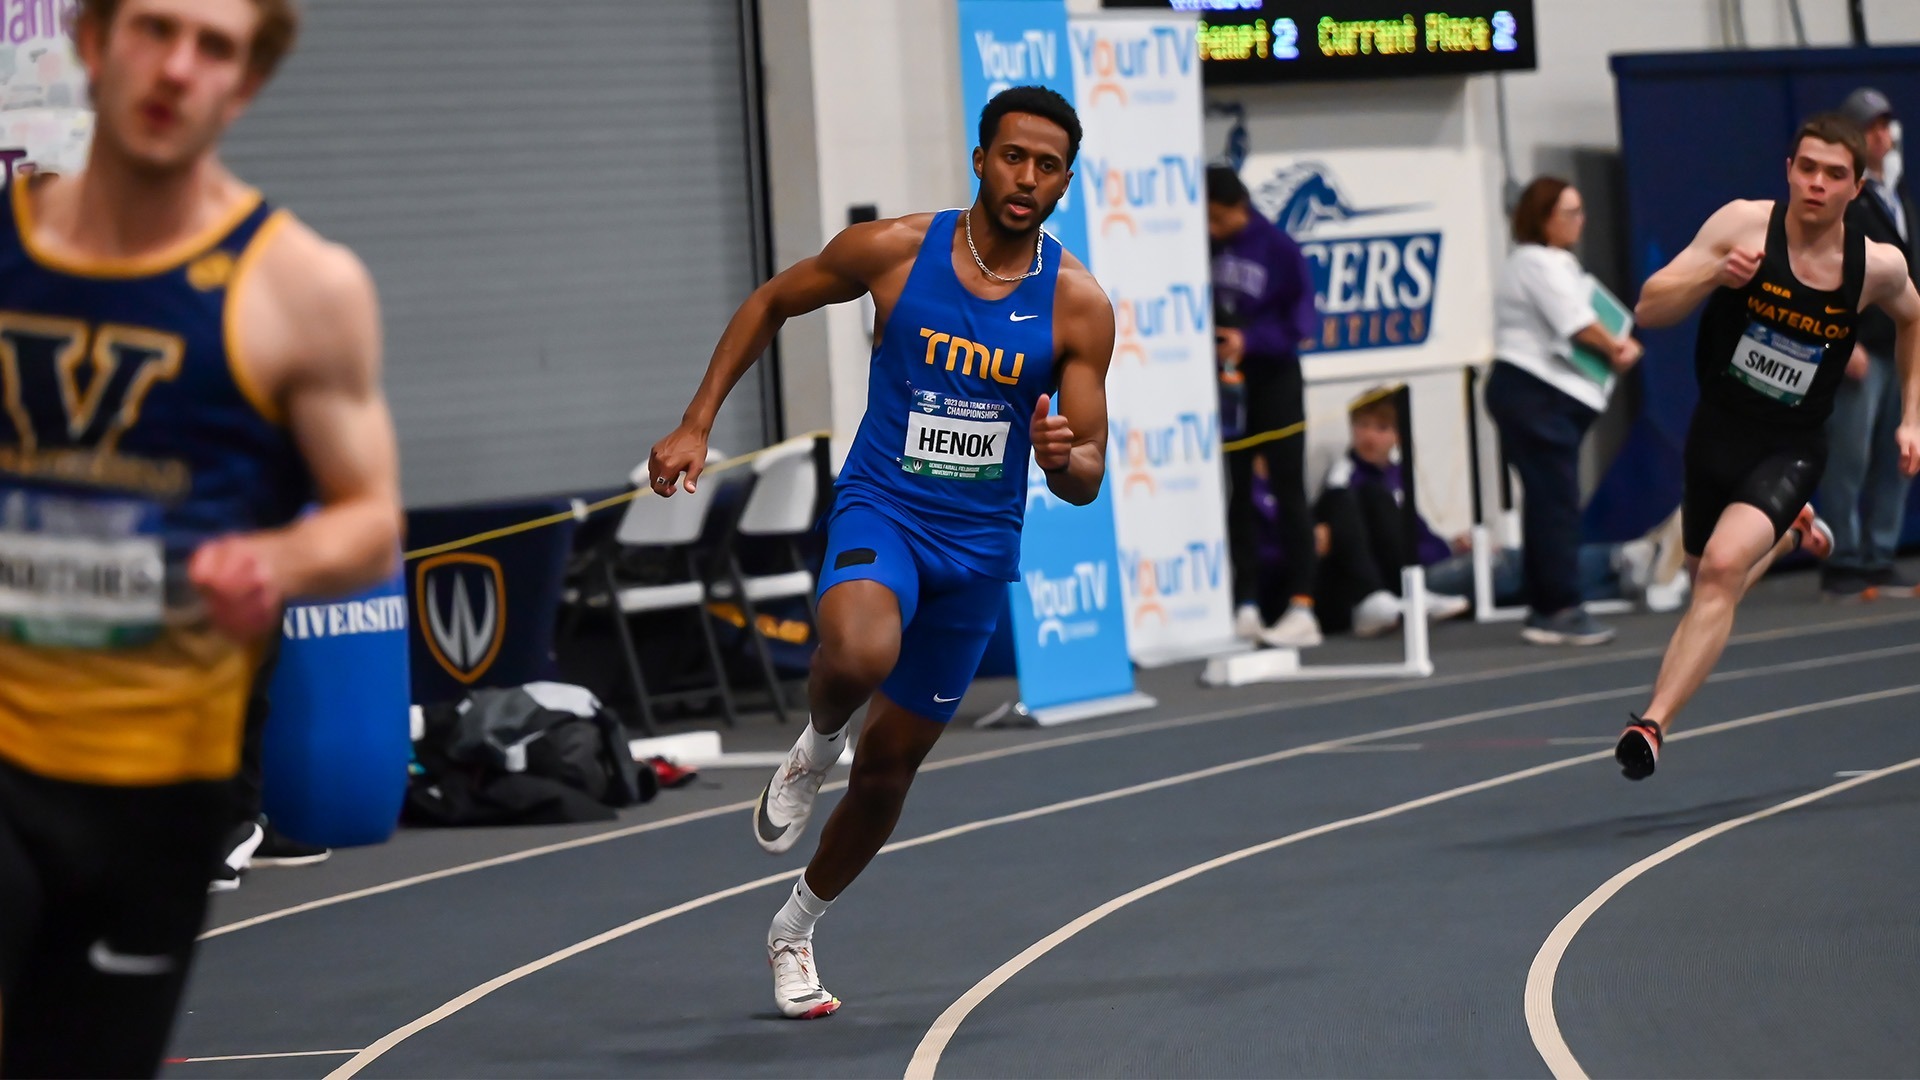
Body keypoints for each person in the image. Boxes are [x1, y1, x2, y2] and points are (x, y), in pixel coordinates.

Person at [647, 86, 1114, 1019]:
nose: (1028, 178)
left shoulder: (1078, 306)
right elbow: (774, 301)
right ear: (981, 158)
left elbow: (1086, 472)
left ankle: (794, 928)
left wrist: (1068, 458)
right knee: (861, 652)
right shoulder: (896, 252)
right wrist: (697, 422)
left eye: (1048, 165)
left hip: (979, 547)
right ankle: (817, 740)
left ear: (1066, 181)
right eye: (1014, 156)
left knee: (893, 768)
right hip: (885, 506)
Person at [0, 1, 403, 1074]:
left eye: (214, 46)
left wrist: (276, 560)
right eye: (154, 28)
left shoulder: (302, 288)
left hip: (153, 789)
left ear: (247, 84)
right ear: (91, 40)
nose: (177, 66)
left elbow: (369, 519)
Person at [1615, 114, 1920, 781]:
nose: (1816, 183)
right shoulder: (1743, 227)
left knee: (1722, 571)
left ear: (1856, 186)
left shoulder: (1876, 266)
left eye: (1834, 174)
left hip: (1795, 443)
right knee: (1703, 575)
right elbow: (1650, 305)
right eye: (1806, 168)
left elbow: (1914, 319)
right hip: (1718, 428)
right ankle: (1782, 537)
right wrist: (1715, 277)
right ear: (1788, 171)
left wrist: (1911, 418)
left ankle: (1652, 723)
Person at [1486, 176, 1645, 647]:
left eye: (1580, 212)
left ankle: (1547, 604)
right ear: (1542, 219)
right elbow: (1576, 324)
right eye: (1569, 213)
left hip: (1540, 395)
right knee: (1555, 502)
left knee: (1548, 501)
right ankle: (1558, 606)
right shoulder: (1536, 261)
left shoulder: (1555, 263)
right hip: (1532, 393)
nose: (1580, 221)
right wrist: (1617, 346)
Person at [1206, 165, 1324, 648]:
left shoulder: (1280, 249)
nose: (1211, 230)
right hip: (1228, 386)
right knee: (1238, 492)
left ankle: (1303, 605)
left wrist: (1248, 340)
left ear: (1240, 207)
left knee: (1287, 488)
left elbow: (1302, 323)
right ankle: (1246, 601)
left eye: (1217, 219)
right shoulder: (1206, 248)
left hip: (1274, 379)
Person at [1820, 88, 1920, 600]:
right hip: (1861, 346)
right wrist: (1843, 339)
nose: (1881, 135)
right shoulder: (1844, 194)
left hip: (1898, 342)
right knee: (1848, 457)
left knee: (1895, 452)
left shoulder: (1893, 189)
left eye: (1885, 125)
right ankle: (1843, 558)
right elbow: (1827, 271)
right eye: (1870, 127)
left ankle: (1880, 553)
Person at [1310, 390, 1471, 637]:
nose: (1369, 436)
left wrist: (1450, 546)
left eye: (1381, 428)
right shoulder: (1343, 481)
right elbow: (1369, 542)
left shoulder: (1396, 475)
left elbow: (1415, 529)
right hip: (1397, 576)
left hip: (1422, 564)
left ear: (1399, 436)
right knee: (1504, 570)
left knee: (1502, 560)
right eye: (1363, 426)